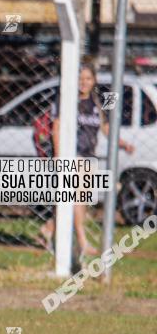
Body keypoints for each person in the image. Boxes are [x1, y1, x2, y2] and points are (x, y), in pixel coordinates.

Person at [37, 62, 135, 256]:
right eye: (80, 78)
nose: (84, 82)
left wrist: (122, 143)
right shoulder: (66, 100)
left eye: (88, 79)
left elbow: (105, 128)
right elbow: (56, 127)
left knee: (78, 199)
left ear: (94, 81)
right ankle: (82, 241)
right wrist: (58, 155)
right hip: (72, 154)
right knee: (78, 197)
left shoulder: (96, 103)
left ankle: (48, 229)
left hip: (89, 156)